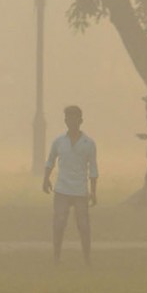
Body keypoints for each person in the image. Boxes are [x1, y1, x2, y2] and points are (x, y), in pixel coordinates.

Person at [42, 105, 99, 264]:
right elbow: (50, 160)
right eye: (68, 118)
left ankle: (87, 258)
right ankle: (56, 256)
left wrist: (93, 191)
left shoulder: (88, 143)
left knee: (83, 225)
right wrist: (46, 179)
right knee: (59, 223)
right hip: (62, 189)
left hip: (80, 190)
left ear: (80, 121)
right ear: (65, 121)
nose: (71, 122)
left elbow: (93, 169)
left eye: (75, 118)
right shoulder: (59, 142)